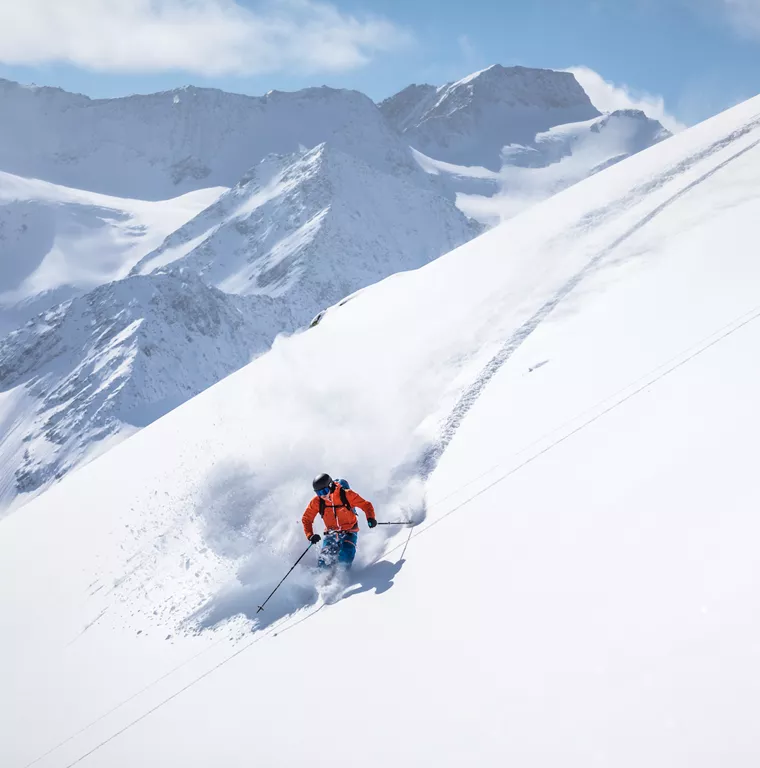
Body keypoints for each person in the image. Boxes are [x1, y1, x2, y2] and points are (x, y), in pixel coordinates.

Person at [302, 473, 377, 571]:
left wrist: (370, 518)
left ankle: (340, 577)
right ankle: (322, 579)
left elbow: (366, 505)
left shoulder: (346, 495)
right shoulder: (317, 502)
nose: (323, 495)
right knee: (324, 560)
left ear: (330, 486)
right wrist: (310, 535)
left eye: (325, 491)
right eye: (319, 493)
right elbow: (306, 518)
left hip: (350, 530)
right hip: (331, 533)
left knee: (345, 555)